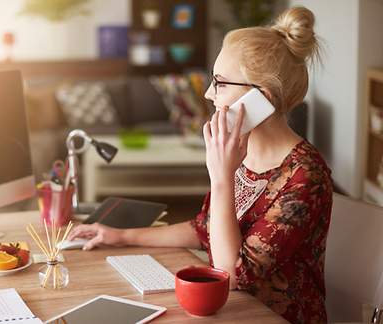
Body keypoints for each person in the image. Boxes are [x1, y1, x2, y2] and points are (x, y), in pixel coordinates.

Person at [68, 6, 333, 324]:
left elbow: (232, 275)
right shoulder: (239, 151)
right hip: (229, 310)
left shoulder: (306, 176)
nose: (208, 94)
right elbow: (204, 229)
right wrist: (120, 236)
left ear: (261, 98)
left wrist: (221, 177)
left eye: (220, 83)